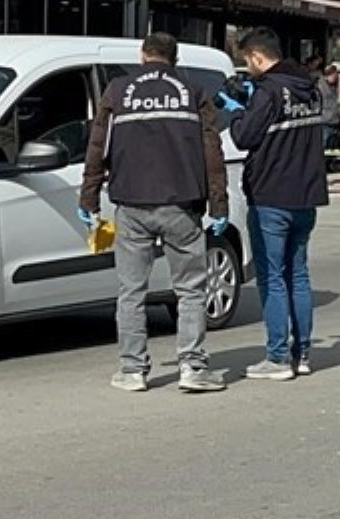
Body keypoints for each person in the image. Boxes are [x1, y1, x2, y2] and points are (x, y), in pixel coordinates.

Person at [79, 33, 229, 393]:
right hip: (182, 205)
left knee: (131, 290)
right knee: (191, 290)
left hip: (131, 204)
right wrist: (218, 204)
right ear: (174, 60)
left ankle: (132, 370)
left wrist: (89, 199)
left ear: (143, 55)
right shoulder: (194, 93)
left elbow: (97, 147)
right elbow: (212, 151)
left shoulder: (118, 91)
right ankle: (192, 366)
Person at [224, 28, 328, 381]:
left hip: (271, 194)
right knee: (298, 274)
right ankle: (303, 354)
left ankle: (278, 357)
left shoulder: (269, 91)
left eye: (246, 62)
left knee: (272, 278)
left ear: (256, 56)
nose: (246, 69)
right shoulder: (309, 89)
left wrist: (237, 110)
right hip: (306, 194)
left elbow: (243, 137)